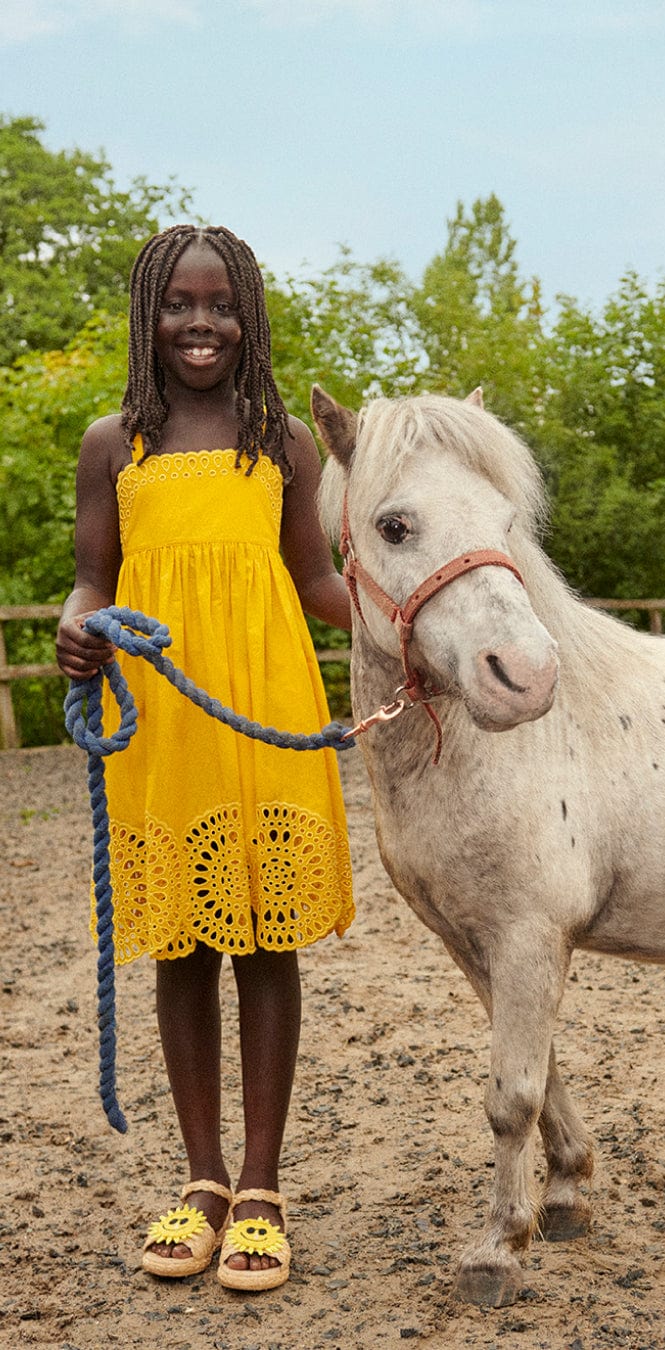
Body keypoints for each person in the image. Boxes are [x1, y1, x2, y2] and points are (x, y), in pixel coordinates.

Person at [56, 224, 355, 1292]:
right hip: (166, 719)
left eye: (221, 305)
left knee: (268, 941)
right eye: (180, 303)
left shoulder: (280, 441)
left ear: (249, 318)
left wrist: (410, 622)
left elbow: (318, 581)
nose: (200, 323)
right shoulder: (112, 444)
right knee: (182, 947)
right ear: (150, 313)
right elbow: (95, 578)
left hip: (264, 700)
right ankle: (202, 1181)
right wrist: (77, 624)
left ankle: (263, 1190)